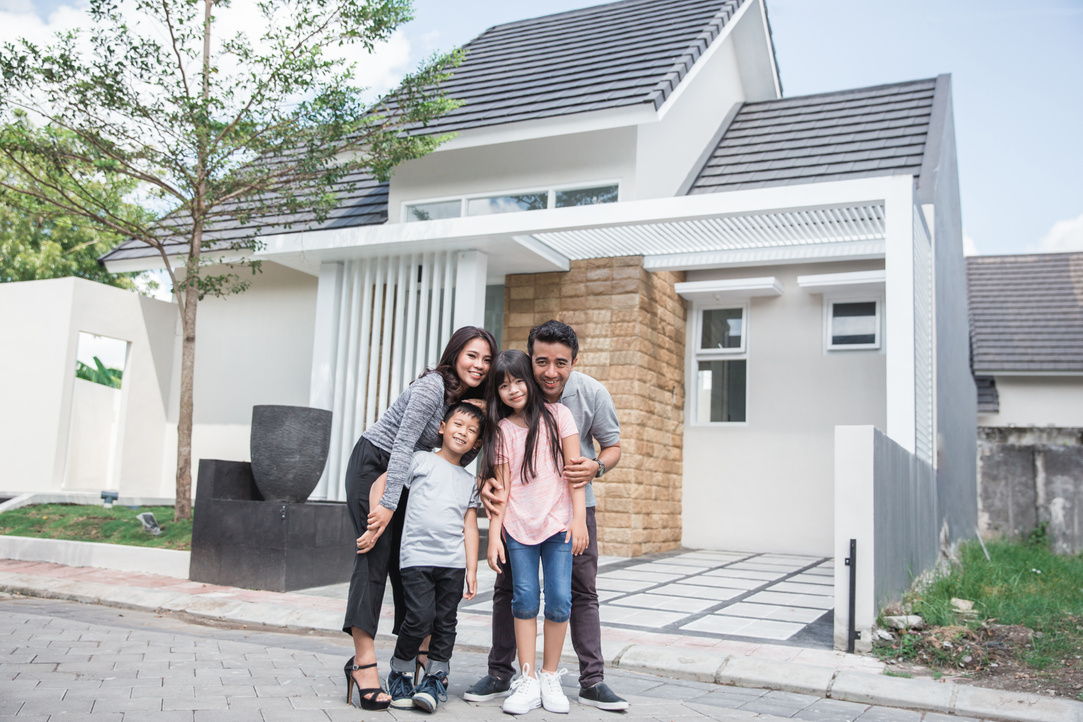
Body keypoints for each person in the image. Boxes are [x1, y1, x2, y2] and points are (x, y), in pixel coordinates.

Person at [466, 320, 627, 711]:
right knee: (512, 592)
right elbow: (481, 438)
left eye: (561, 363)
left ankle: (591, 680)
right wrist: (484, 485)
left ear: (573, 362)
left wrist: (597, 468)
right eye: (542, 361)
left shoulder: (589, 393)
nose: (550, 372)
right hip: (520, 514)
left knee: (578, 591)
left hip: (572, 510)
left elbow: (613, 447)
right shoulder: (515, 389)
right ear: (529, 360)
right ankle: (506, 673)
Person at [341, 326, 495, 710]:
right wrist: (388, 505)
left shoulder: (468, 401)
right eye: (472, 355)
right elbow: (403, 444)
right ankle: (363, 664)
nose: (479, 365)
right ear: (455, 353)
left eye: (486, 359)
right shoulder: (432, 388)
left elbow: (461, 456)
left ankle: (417, 657)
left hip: (410, 474)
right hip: (376, 463)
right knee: (374, 561)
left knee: (406, 564)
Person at [481, 349, 587, 715]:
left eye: (518, 380)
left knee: (560, 600)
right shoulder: (501, 430)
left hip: (558, 525)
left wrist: (580, 519)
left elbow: (575, 475)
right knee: (524, 599)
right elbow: (501, 488)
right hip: (518, 527)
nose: (512, 390)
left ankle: (549, 675)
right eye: (503, 385)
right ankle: (526, 679)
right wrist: (493, 535)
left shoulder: (560, 416)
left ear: (531, 378)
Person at [361, 402, 485, 713]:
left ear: (477, 443)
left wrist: (472, 569)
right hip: (416, 558)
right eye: (458, 425)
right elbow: (382, 484)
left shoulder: (469, 480)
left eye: (471, 431)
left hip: (453, 563)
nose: (463, 433)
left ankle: (435, 678)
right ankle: (401, 672)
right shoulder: (419, 461)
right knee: (418, 618)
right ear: (442, 427)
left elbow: (470, 526)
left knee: (446, 622)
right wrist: (376, 523)